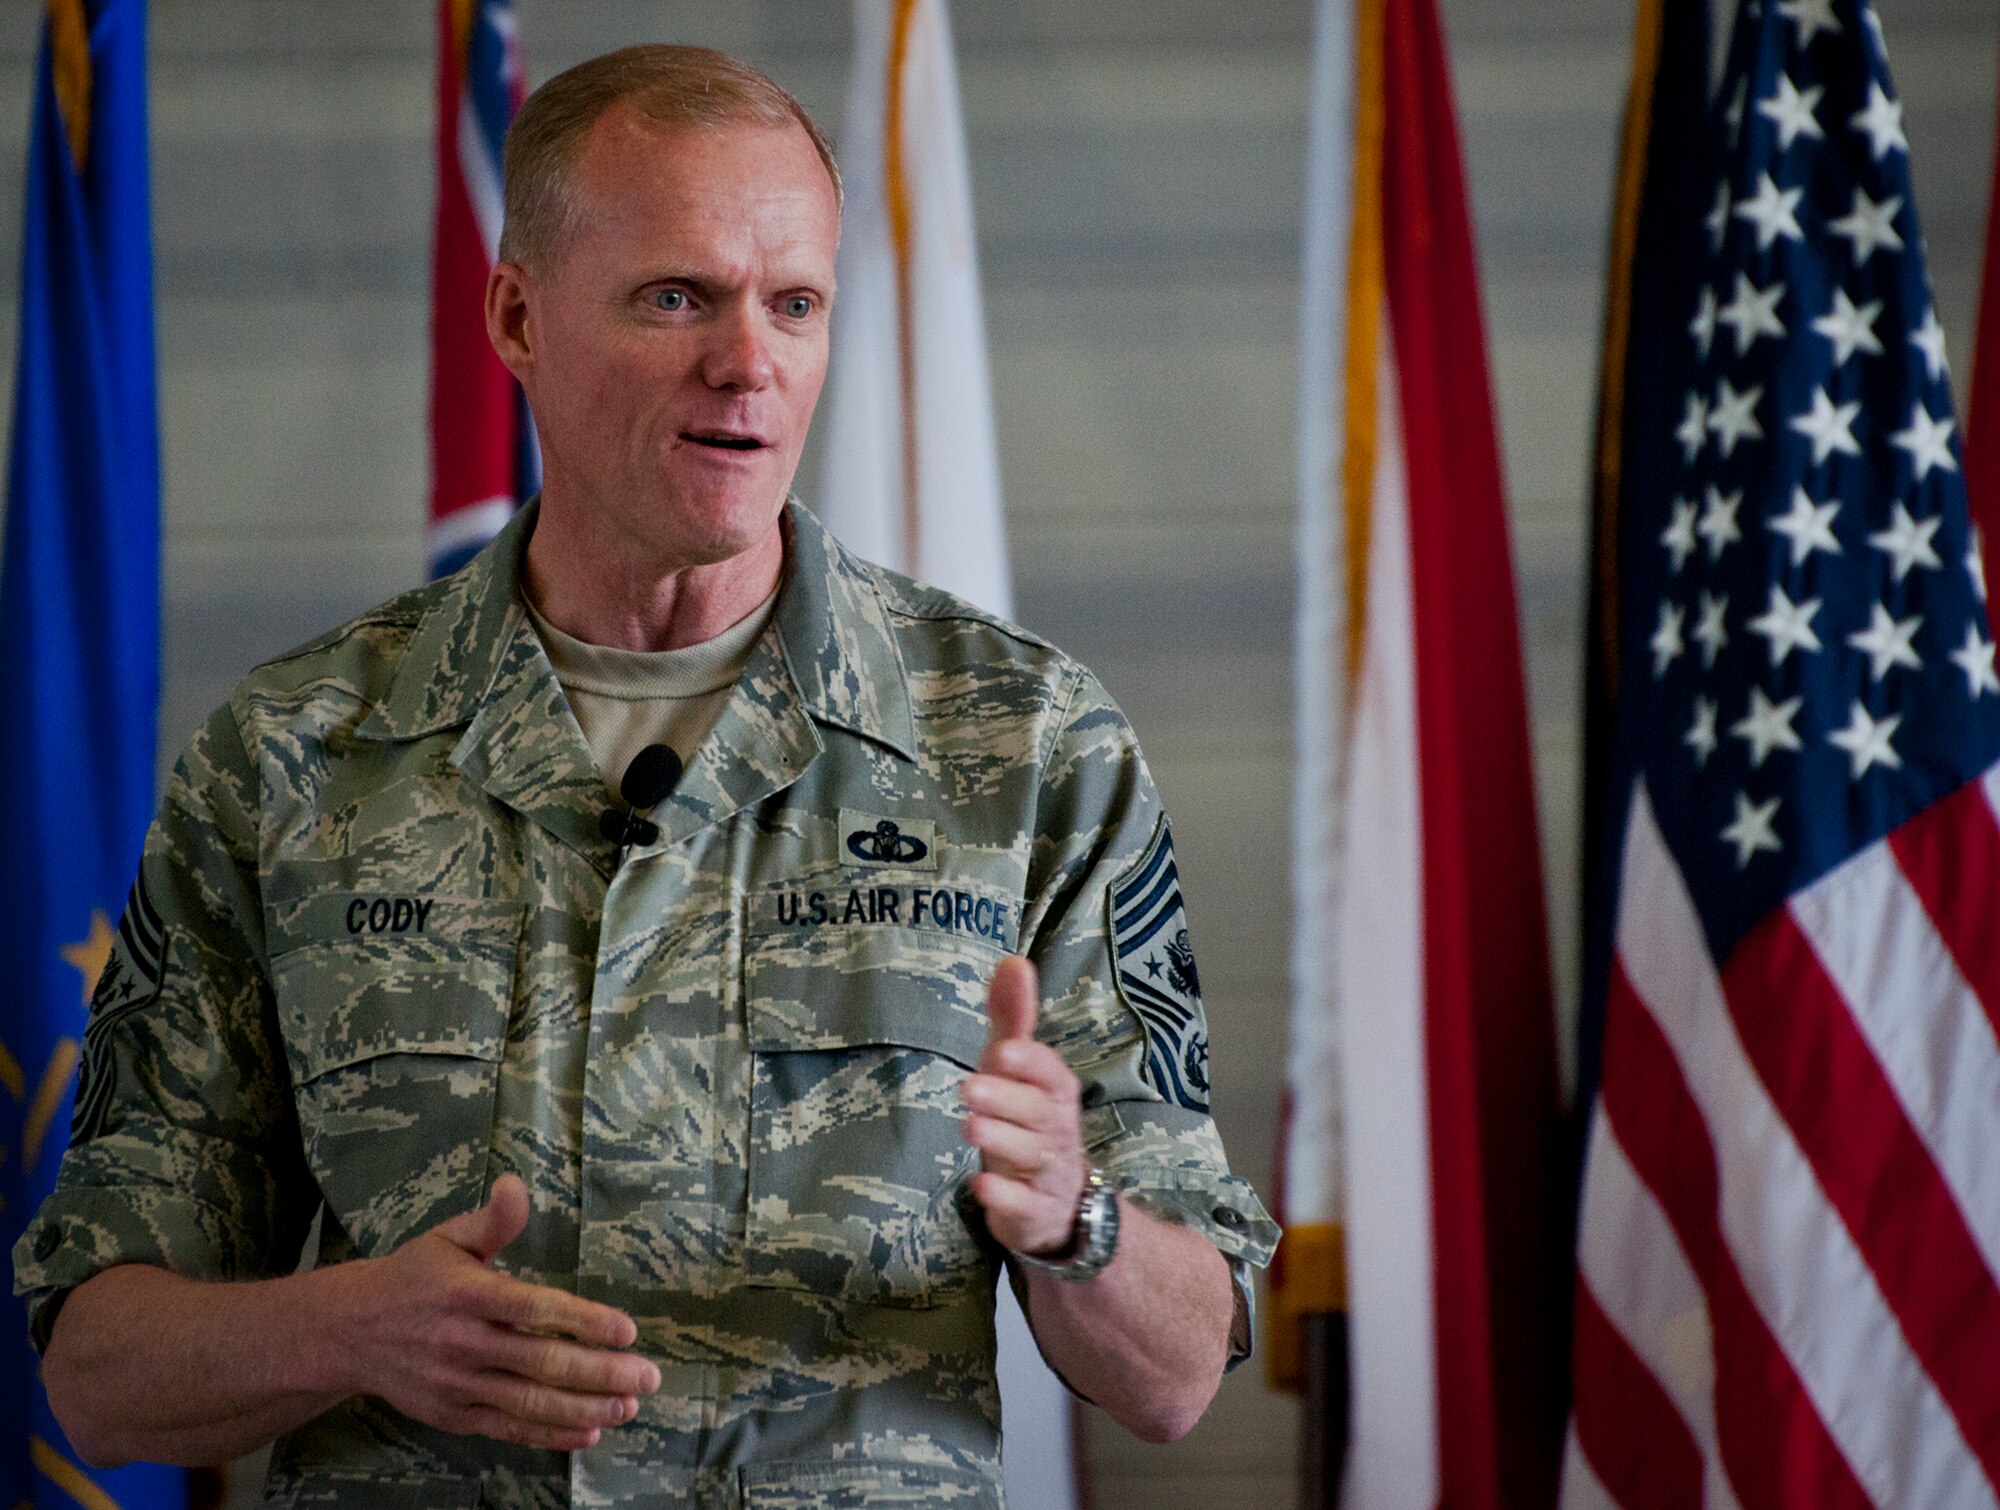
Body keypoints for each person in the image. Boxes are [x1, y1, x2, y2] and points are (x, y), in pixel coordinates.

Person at [14, 45, 1276, 1509]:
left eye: (793, 304)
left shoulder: (1025, 746)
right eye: (677, 297)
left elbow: (1179, 1374)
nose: (748, 362)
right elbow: (95, 1371)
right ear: (516, 314)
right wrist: (350, 1325)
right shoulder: (297, 754)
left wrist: (1078, 1216)